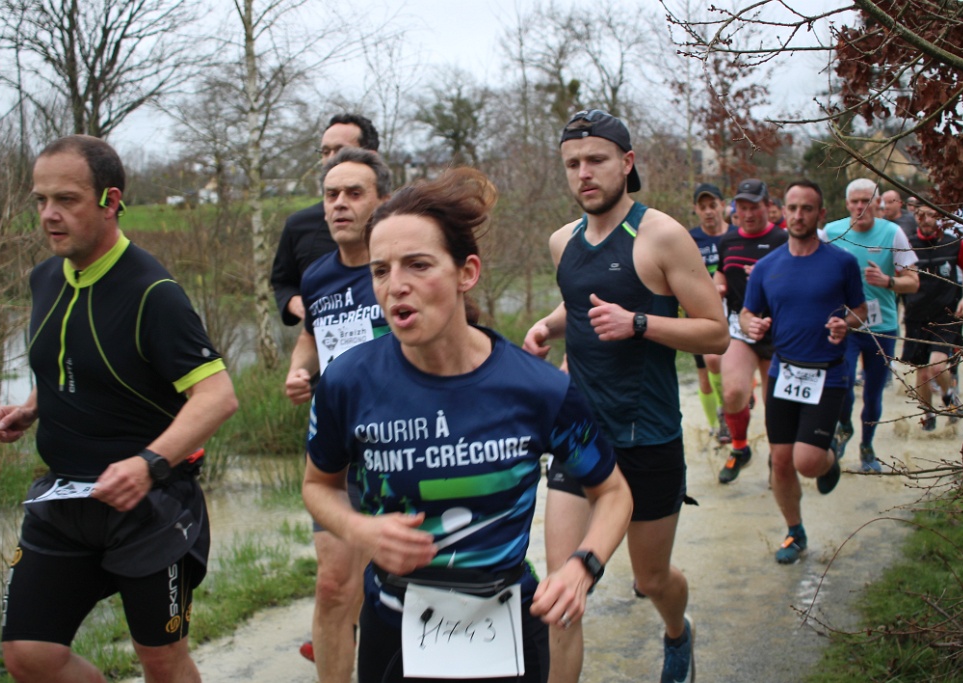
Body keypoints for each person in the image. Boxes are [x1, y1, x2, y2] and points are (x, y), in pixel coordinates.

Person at [302, 167, 633, 683]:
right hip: (393, 627)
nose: (396, 286)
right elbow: (319, 485)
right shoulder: (348, 382)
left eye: (418, 265)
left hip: (507, 627)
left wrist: (582, 567)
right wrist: (359, 528)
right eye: (380, 270)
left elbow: (612, 493)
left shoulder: (538, 389)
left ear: (467, 272)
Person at [0, 135, 238, 683]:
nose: (49, 215)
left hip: (148, 509)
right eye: (40, 200)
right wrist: (31, 408)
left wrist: (148, 464)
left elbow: (217, 395)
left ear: (110, 201)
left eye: (66, 199)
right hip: (63, 501)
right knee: (29, 654)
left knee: (161, 663)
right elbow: (73, 363)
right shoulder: (44, 278)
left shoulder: (154, 292)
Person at [524, 110, 728, 683]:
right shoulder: (563, 242)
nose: (583, 173)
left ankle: (677, 631)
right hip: (581, 436)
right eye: (572, 164)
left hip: (648, 437)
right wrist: (547, 326)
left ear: (627, 162)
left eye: (596, 160)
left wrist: (639, 323)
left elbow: (716, 332)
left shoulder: (661, 235)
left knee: (650, 579)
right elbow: (581, 302)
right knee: (562, 591)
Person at [283, 148, 392, 681]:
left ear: (382, 201)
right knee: (332, 586)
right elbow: (311, 338)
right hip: (337, 451)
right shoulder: (317, 276)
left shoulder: (399, 268)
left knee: (386, 589)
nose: (339, 204)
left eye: (354, 193)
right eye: (331, 195)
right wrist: (298, 371)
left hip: (402, 445)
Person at [740, 180, 867, 564]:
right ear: (783, 212)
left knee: (807, 463)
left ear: (820, 214)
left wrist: (846, 323)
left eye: (807, 208)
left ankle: (829, 456)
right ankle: (794, 532)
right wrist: (751, 325)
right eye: (792, 208)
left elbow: (861, 311)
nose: (798, 215)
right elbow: (747, 312)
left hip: (828, 374)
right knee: (780, 461)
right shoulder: (767, 267)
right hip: (784, 373)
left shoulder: (841, 262)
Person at [823, 178, 919, 472]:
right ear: (847, 204)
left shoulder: (892, 233)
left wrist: (888, 281)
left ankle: (867, 446)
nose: (860, 207)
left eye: (866, 201)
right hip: (847, 325)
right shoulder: (831, 232)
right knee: (841, 384)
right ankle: (844, 426)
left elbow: (913, 282)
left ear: (878, 204)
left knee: (873, 394)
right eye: (854, 202)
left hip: (882, 326)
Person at [270, 113, 380, 326]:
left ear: (371, 155)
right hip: (326, 340)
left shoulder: (400, 219)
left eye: (340, 150)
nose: (330, 159)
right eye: (325, 152)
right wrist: (293, 302)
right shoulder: (299, 225)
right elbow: (283, 282)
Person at [712, 178, 788, 484]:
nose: (747, 214)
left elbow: (798, 281)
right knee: (732, 392)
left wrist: (769, 277)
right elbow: (721, 271)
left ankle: (777, 458)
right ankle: (740, 448)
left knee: (775, 407)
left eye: (754, 207)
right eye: (741, 208)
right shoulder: (728, 240)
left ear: (767, 206)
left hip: (777, 331)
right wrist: (718, 286)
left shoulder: (783, 240)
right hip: (740, 328)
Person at [901, 203, 963, 430]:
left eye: (932, 215)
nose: (927, 219)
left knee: (938, 367)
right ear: (916, 217)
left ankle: (949, 399)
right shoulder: (907, 245)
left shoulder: (954, 243)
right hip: (916, 315)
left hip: (945, 314)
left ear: (940, 219)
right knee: (922, 374)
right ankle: (928, 416)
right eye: (921, 215)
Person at [688, 183, 731, 443]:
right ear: (696, 210)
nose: (708, 212)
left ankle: (731, 411)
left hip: (735, 312)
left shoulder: (736, 235)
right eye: (702, 207)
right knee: (705, 372)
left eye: (712, 205)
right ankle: (717, 426)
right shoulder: (690, 239)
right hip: (700, 314)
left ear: (722, 205)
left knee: (733, 368)